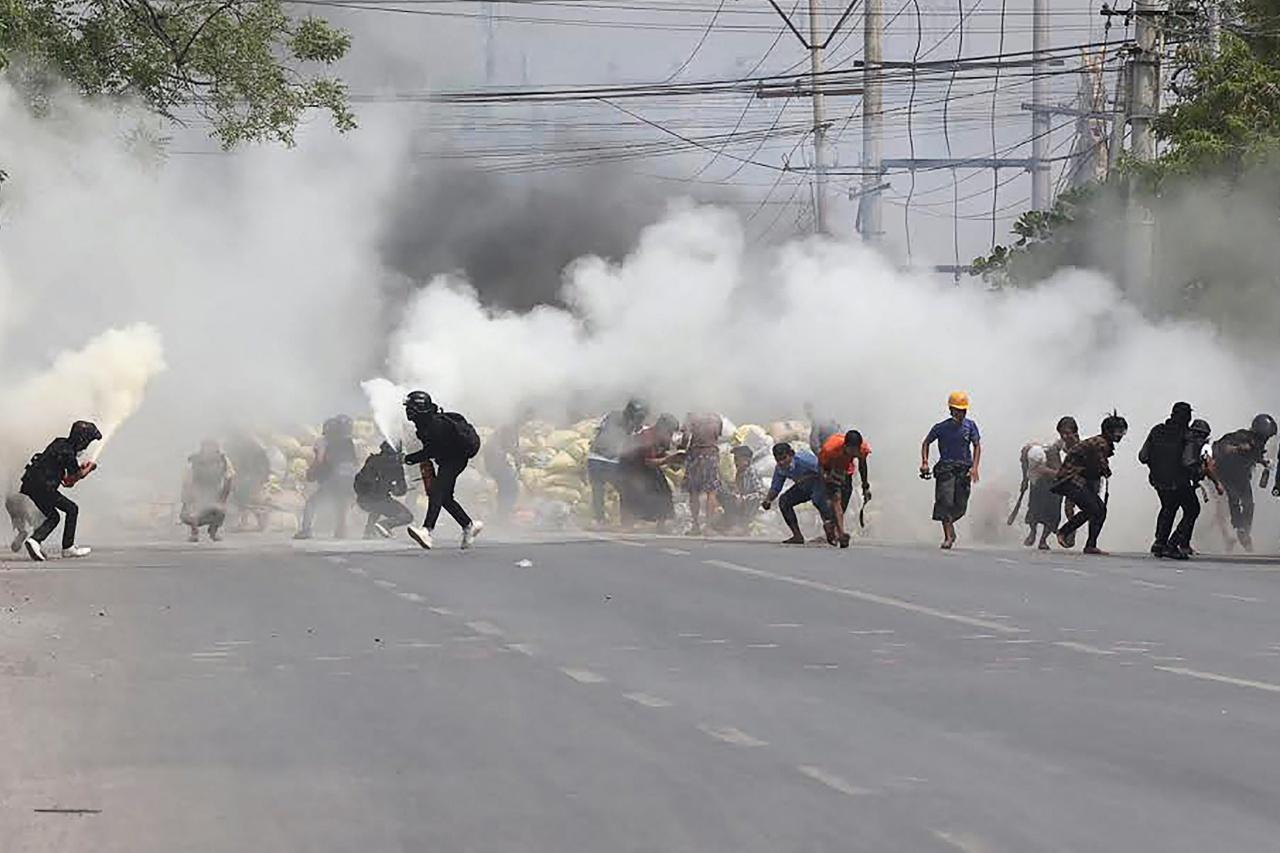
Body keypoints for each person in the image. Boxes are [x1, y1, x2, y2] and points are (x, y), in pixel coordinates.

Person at [403, 391, 484, 550]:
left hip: (456, 459)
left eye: (412, 408)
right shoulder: (425, 425)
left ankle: (427, 530)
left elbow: (432, 451)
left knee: (437, 492)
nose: (408, 411)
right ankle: (469, 525)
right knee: (445, 497)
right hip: (448, 459)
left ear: (420, 408)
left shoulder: (435, 425)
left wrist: (409, 458)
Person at [19, 420, 101, 561]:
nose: (87, 446)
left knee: (53, 517)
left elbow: (65, 479)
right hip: (44, 487)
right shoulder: (69, 452)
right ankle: (67, 548)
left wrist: (79, 469)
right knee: (72, 509)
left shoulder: (59, 443)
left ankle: (35, 541)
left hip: (31, 485)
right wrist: (89, 468)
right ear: (82, 440)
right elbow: (73, 478)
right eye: (87, 441)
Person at [1054, 413, 1128, 555]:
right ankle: (1065, 532)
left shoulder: (1100, 442)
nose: (1121, 435)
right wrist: (1106, 471)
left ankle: (1090, 544)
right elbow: (1101, 463)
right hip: (1072, 479)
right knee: (1094, 509)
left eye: (1123, 431)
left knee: (1099, 510)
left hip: (1076, 480)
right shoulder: (1100, 443)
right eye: (1118, 431)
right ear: (1108, 431)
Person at [920, 391, 982, 549]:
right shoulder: (941, 428)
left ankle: (950, 525)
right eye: (957, 410)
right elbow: (926, 442)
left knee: (960, 506)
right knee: (945, 502)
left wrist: (974, 467)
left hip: (964, 469)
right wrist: (925, 462)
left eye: (963, 411)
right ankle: (947, 536)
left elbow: (976, 446)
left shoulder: (970, 426)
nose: (960, 414)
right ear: (951, 410)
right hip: (946, 468)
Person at [1139, 402, 1196, 559]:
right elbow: (1188, 461)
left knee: (1168, 507)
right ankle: (1172, 544)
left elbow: (1142, 457)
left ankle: (1159, 543)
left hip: (1158, 480)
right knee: (1192, 509)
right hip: (1178, 481)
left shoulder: (1157, 430)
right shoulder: (1187, 434)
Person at [1213, 413, 1276, 552]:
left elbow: (1254, 454)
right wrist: (1238, 448)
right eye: (1266, 436)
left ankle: (1244, 531)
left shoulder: (1257, 444)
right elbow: (1221, 447)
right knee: (1234, 499)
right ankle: (1238, 527)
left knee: (1248, 503)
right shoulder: (1241, 436)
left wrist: (1263, 462)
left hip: (1241, 476)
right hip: (1226, 474)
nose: (1266, 440)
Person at [295, 415, 359, 540]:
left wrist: (311, 473)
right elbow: (355, 462)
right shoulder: (349, 442)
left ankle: (306, 530)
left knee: (312, 503)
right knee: (340, 503)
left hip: (335, 477)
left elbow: (320, 460)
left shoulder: (324, 442)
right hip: (350, 478)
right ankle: (341, 531)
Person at [1020, 416, 1079, 550]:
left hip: (1057, 484)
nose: (1065, 435)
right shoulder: (1035, 452)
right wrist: (1025, 479)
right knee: (1034, 510)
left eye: (1067, 432)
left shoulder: (1073, 444)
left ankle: (1043, 539)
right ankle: (1033, 532)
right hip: (1040, 482)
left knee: (1053, 513)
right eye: (1062, 433)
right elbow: (1029, 466)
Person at [586, 399, 648, 526]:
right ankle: (623, 520)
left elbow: (598, 430)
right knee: (623, 489)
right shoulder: (633, 423)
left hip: (596, 457)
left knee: (599, 490)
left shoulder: (612, 415)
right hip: (609, 460)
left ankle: (600, 520)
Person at [762, 442, 835, 546]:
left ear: (791, 454)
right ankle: (797, 536)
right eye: (778, 460)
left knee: (817, 499)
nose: (782, 463)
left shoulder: (805, 460)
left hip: (818, 481)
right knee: (784, 501)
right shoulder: (779, 469)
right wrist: (768, 500)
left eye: (784, 458)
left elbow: (824, 470)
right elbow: (775, 487)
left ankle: (832, 529)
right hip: (803, 487)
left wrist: (830, 490)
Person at [617, 413, 680, 529]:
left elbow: (661, 454)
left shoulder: (663, 438)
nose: (670, 435)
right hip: (630, 466)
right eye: (669, 432)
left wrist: (675, 459)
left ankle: (662, 523)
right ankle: (627, 524)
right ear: (662, 428)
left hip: (645, 465)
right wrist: (668, 459)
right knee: (632, 493)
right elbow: (649, 462)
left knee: (664, 489)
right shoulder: (647, 437)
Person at [818, 429, 872, 548]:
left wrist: (865, 486)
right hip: (831, 469)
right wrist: (827, 478)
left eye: (856, 450)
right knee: (836, 499)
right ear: (845, 446)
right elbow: (822, 465)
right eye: (851, 450)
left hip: (846, 470)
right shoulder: (830, 448)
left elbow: (862, 466)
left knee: (844, 501)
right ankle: (841, 533)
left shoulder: (862, 449)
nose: (854, 453)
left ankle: (830, 525)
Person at [354, 441, 413, 539]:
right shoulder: (396, 466)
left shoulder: (372, 459)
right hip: (378, 500)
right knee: (407, 516)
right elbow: (401, 490)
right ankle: (385, 525)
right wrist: (394, 489)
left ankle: (369, 531)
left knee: (380, 503)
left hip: (362, 500)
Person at [180, 439, 235, 542]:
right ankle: (194, 532)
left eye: (212, 447)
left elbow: (229, 477)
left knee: (219, 511)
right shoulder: (194, 460)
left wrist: (223, 497)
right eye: (206, 447)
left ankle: (213, 532)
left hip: (215, 490)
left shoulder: (223, 460)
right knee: (192, 513)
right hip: (198, 490)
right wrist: (189, 495)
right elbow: (187, 479)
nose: (209, 450)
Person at [681, 412, 724, 535]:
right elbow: (717, 436)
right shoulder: (716, 418)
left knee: (693, 492)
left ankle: (696, 526)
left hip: (695, 456)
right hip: (711, 455)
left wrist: (682, 447)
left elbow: (685, 439)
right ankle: (708, 527)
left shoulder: (691, 417)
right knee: (711, 492)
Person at [226, 432, 272, 532]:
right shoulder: (249, 448)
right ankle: (247, 522)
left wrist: (258, 480)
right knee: (245, 502)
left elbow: (261, 467)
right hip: (249, 478)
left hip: (252, 479)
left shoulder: (253, 449)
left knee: (249, 502)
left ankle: (253, 523)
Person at [713, 445, 765, 534]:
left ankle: (743, 526)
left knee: (750, 501)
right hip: (740, 503)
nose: (735, 462)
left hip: (751, 505)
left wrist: (744, 498)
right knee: (723, 495)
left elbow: (761, 494)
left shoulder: (751, 472)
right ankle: (731, 523)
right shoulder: (739, 473)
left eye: (737, 459)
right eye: (735, 459)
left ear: (746, 460)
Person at [482, 421, 521, 522]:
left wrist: (517, 462)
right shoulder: (495, 442)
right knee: (510, 486)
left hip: (499, 465)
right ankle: (503, 515)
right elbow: (497, 455)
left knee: (509, 486)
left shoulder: (509, 432)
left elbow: (514, 449)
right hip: (495, 466)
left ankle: (503, 514)